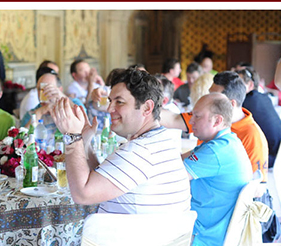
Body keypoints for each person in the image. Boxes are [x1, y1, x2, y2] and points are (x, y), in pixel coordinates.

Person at [51, 67, 191, 214]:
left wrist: (72, 136)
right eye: (110, 101)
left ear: (147, 108)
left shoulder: (139, 151)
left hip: (136, 237)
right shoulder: (161, 140)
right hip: (159, 235)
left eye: (120, 102)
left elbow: (82, 194)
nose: (110, 108)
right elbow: (99, 181)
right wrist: (85, 142)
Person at [162, 72, 269, 181]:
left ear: (230, 105)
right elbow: (172, 119)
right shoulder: (205, 118)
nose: (207, 98)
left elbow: (258, 187)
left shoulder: (252, 136)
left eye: (214, 96)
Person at [184, 93, 253, 246]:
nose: (191, 121)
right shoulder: (227, 141)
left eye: (197, 116)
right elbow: (178, 160)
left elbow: (169, 178)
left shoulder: (216, 151)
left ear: (217, 120)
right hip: (217, 234)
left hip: (205, 240)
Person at [235, 65, 281, 167]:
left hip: (268, 158)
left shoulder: (247, 102)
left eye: (238, 84)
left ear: (250, 85)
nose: (234, 88)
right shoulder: (264, 98)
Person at [20, 69, 86, 146]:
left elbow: (84, 121)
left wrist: (61, 96)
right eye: (39, 89)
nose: (43, 93)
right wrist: (39, 112)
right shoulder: (31, 114)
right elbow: (21, 142)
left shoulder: (74, 103)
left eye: (48, 88)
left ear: (60, 89)